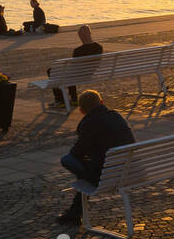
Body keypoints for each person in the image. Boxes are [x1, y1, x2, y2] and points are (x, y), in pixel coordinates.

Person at [56, 90, 136, 225]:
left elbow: (76, 153)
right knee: (89, 166)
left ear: (81, 110)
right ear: (102, 102)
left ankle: (76, 211)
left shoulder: (88, 123)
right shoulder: (116, 115)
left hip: (108, 175)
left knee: (67, 159)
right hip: (131, 169)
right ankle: (74, 212)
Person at [49, 24, 103, 108]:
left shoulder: (78, 51)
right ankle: (73, 100)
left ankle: (60, 100)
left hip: (78, 75)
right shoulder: (99, 47)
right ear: (90, 33)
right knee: (72, 72)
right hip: (91, 74)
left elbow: (74, 67)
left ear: (81, 36)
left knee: (51, 70)